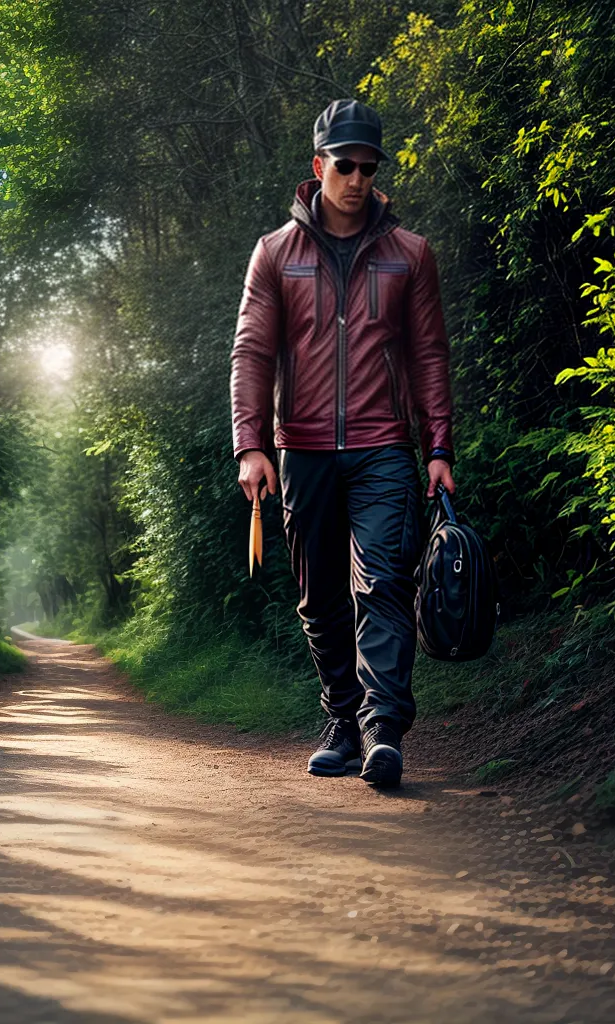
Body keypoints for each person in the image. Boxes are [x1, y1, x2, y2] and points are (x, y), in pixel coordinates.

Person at [229, 99, 455, 788]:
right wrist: (251, 444)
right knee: (319, 595)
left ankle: (383, 729)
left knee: (383, 580)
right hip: (300, 450)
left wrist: (439, 446)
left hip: (385, 445)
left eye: (369, 165)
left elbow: (429, 357)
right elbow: (251, 353)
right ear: (318, 165)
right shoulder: (274, 253)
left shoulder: (410, 254)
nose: (357, 178)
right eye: (345, 164)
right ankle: (340, 720)